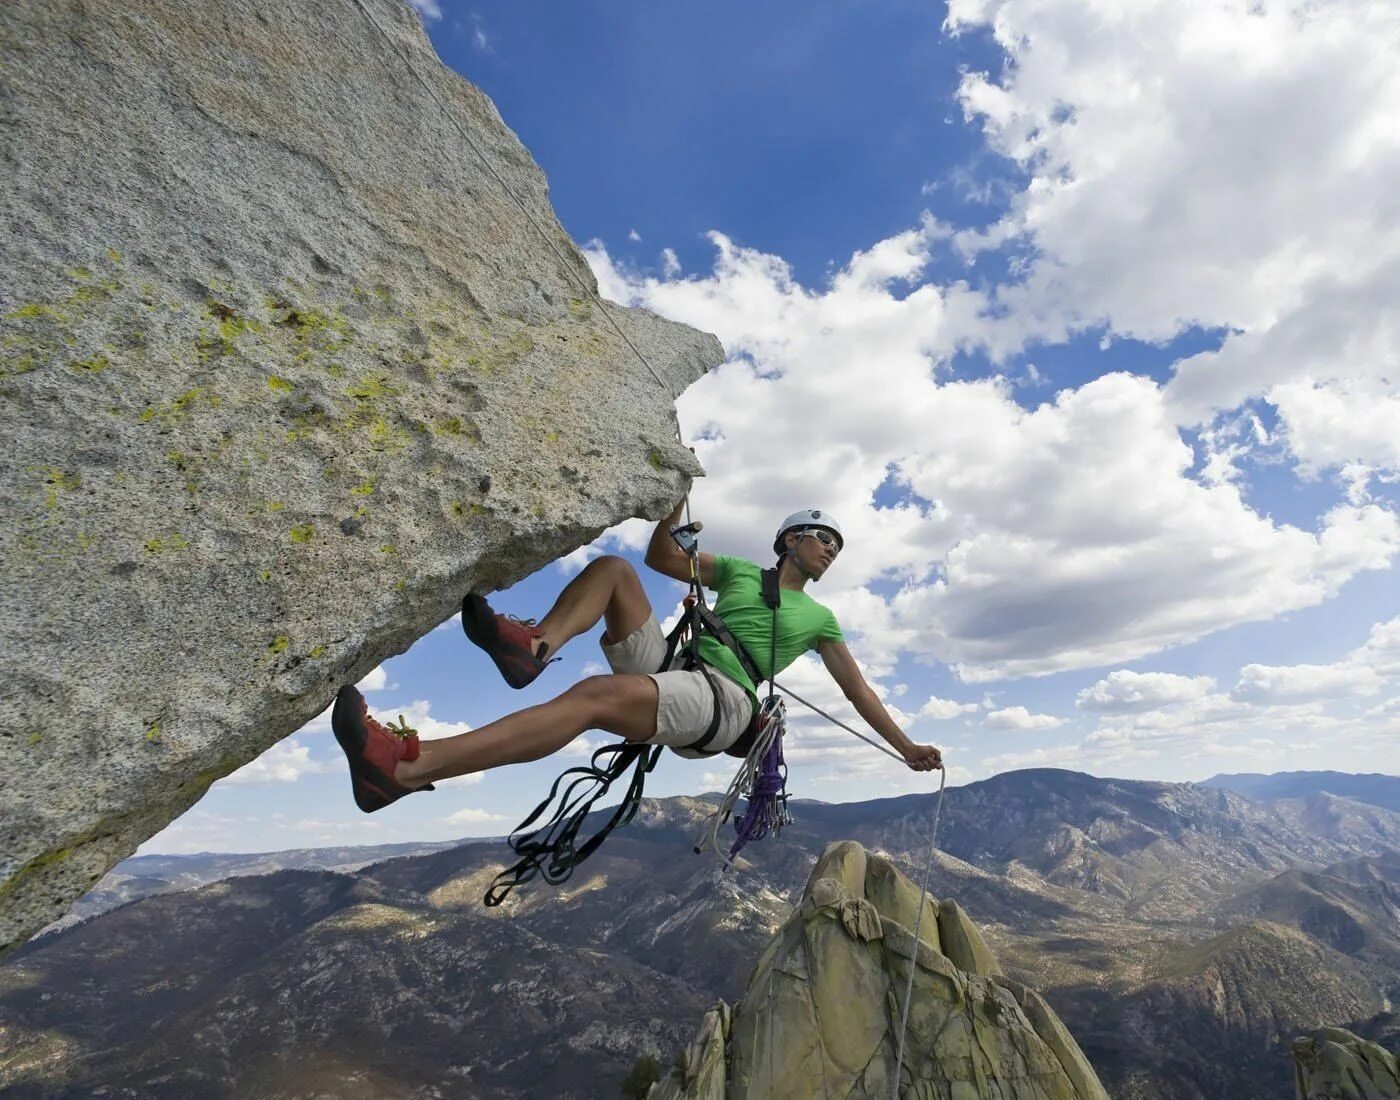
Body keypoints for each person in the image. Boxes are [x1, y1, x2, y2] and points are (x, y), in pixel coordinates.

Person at [332, 505, 943, 812]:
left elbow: (858, 690)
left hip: (725, 701)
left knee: (594, 698)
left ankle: (407, 769)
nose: (831, 550)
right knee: (616, 572)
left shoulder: (821, 620)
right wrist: (673, 506)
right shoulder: (733, 572)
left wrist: (904, 746)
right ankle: (534, 648)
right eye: (822, 538)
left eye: (838, 545)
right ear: (790, 540)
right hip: (678, 667)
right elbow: (659, 560)